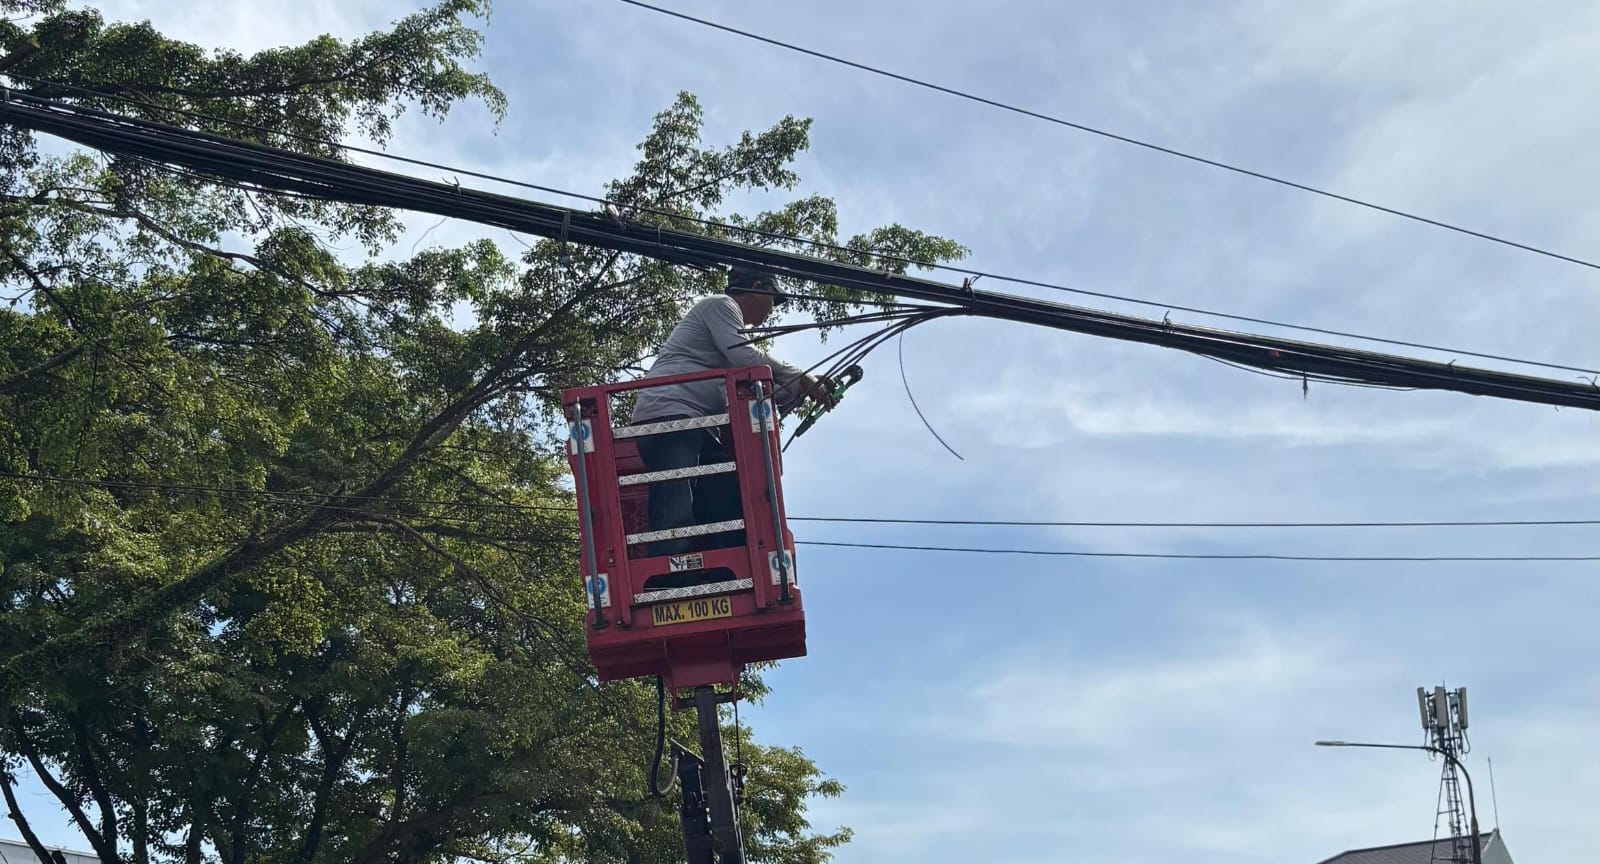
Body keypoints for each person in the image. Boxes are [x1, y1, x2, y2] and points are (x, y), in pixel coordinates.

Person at [629, 266, 837, 561]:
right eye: (773, 299)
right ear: (757, 287)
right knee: (675, 506)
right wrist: (801, 377)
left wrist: (802, 386)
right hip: (671, 416)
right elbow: (744, 355)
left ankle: (718, 566)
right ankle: (670, 575)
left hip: (699, 425)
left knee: (726, 498)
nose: (773, 309)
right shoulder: (721, 305)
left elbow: (757, 384)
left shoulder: (727, 332)